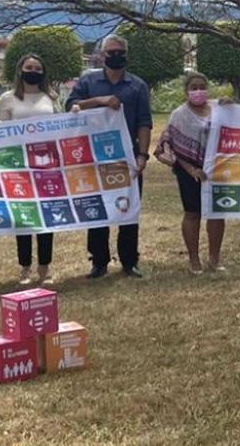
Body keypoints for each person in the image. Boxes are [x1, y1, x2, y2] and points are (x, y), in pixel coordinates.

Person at [66, 33, 153, 279]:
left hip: (128, 155)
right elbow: (70, 107)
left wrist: (143, 156)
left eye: (120, 52)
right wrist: (100, 100)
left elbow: (144, 123)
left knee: (129, 208)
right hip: (93, 156)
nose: (115, 56)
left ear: (125, 55)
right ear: (102, 55)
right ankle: (99, 261)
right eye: (110, 52)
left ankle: (129, 260)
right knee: (97, 208)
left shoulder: (137, 85)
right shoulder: (88, 82)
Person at [0, 53, 58, 286]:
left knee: (45, 216)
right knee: (23, 216)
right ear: (20, 70)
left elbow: (60, 127)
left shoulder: (50, 97)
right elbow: (1, 132)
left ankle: (45, 266)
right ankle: (25, 267)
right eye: (29, 67)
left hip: (46, 164)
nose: (33, 71)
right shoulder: (7, 99)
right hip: (18, 164)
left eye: (37, 68)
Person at [156, 72, 226, 273]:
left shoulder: (218, 109)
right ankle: (194, 260)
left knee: (217, 213)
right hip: (189, 170)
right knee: (192, 213)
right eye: (193, 87)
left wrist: (231, 106)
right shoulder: (179, 114)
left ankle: (214, 258)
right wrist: (191, 169)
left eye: (202, 87)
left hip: (216, 168)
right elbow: (171, 145)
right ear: (186, 91)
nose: (198, 91)